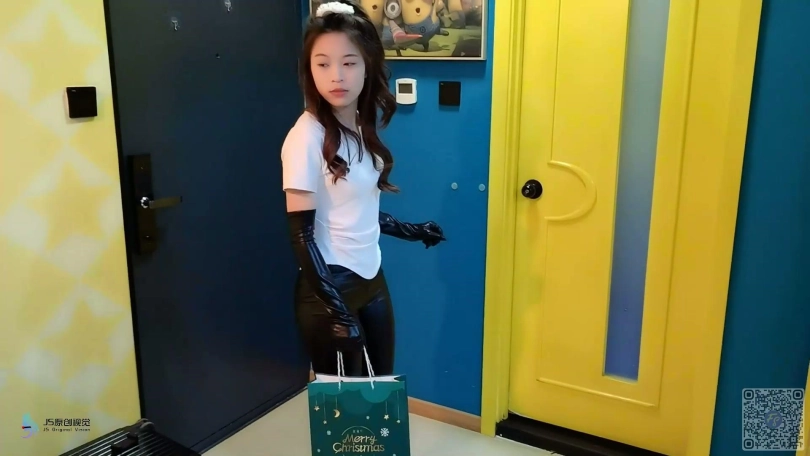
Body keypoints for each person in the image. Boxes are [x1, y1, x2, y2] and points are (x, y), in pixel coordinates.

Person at [281, 0, 446, 378]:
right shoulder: (305, 137)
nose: (336, 76)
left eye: (349, 62)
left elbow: (355, 210)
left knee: (381, 391)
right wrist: (338, 313)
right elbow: (301, 235)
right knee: (344, 408)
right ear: (309, 69)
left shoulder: (356, 123)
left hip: (372, 278)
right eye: (323, 64)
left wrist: (412, 230)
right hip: (328, 288)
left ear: (368, 64)